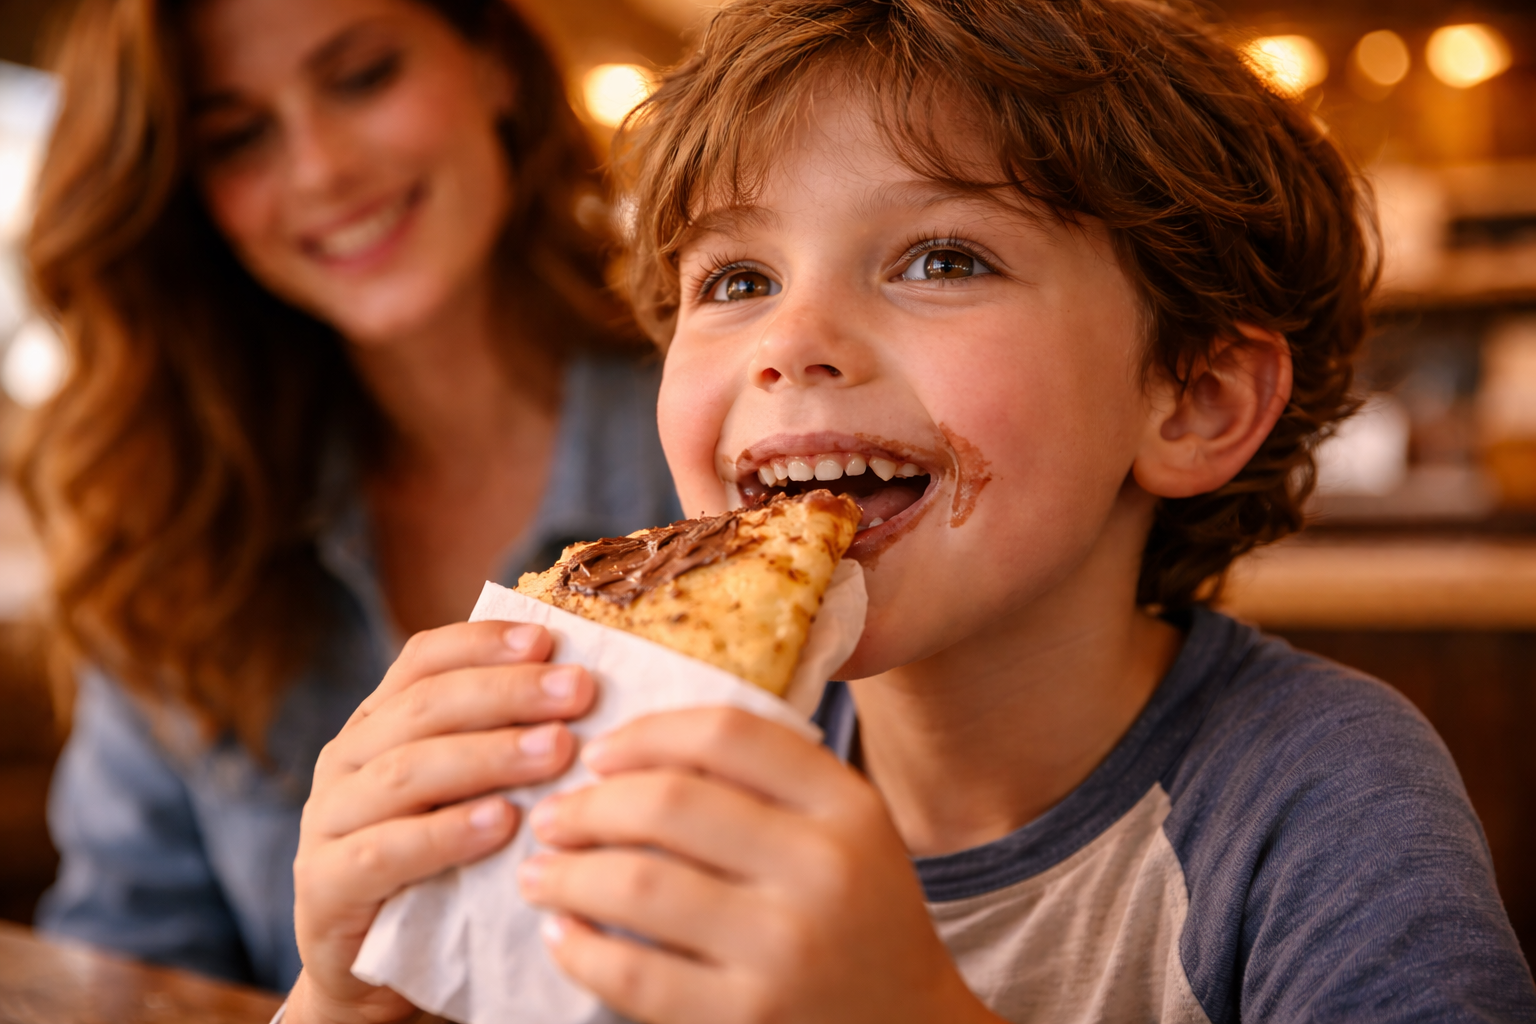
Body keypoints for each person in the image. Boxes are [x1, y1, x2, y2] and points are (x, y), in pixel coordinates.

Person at [283, 1, 1536, 1022]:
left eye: (943, 258)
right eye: (736, 278)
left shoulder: (1317, 799)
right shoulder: (669, 760)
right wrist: (355, 993)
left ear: (1193, 397)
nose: (793, 341)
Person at [15, 0, 679, 993]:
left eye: (363, 75)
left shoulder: (728, 437)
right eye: (239, 136)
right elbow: (126, 972)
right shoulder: (179, 531)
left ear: (493, 61)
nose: (321, 168)